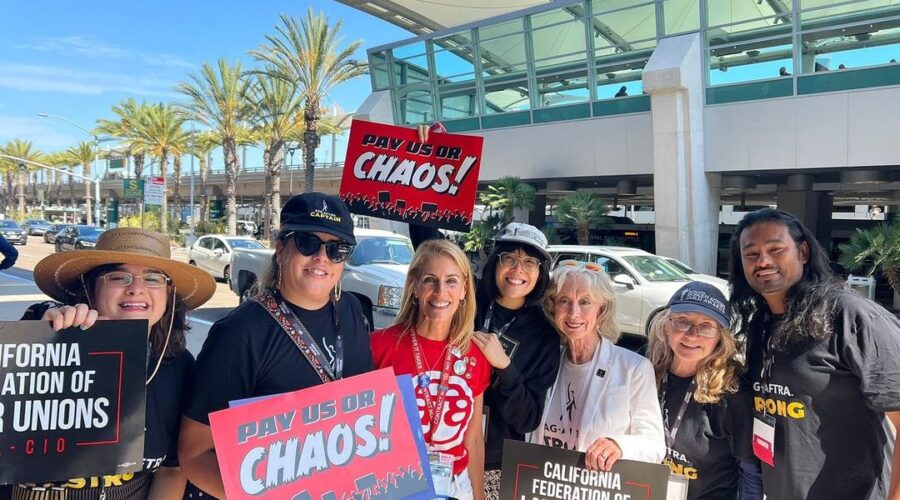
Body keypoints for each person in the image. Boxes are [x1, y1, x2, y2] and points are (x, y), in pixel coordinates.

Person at [179, 193, 373, 499]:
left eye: (337, 249)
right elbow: (194, 455)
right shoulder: (239, 333)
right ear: (281, 248)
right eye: (308, 243)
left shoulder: (351, 312)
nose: (323, 257)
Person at [11, 227, 216, 500]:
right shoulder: (46, 341)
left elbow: (171, 470)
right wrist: (44, 334)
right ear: (91, 288)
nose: (136, 289)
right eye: (119, 277)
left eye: (153, 278)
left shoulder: (177, 368)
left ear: (169, 293)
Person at [729, 208, 900, 499]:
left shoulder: (851, 316)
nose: (763, 261)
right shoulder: (760, 323)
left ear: (803, 252)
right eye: (751, 254)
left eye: (775, 249)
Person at [370, 239, 489, 500]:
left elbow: (474, 438)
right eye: (429, 280)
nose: (440, 292)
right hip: (396, 485)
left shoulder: (477, 355)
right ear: (414, 286)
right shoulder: (379, 346)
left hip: (456, 486)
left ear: (464, 290)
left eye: (451, 281)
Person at [532, 261, 665, 470]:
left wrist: (618, 445)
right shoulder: (544, 361)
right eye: (564, 301)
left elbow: (654, 444)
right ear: (553, 307)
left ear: (601, 310)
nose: (573, 313)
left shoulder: (634, 368)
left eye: (585, 302)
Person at [647, 282, 762, 500]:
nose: (692, 335)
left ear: (721, 336)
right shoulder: (645, 373)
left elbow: (751, 472)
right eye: (682, 322)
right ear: (666, 325)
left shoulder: (732, 392)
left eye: (706, 326)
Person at [470, 223, 559, 499]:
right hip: (443, 447)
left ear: (541, 273)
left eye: (530, 262)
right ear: (495, 262)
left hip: (496, 464)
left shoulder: (545, 335)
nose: (518, 270)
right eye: (510, 258)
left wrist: (505, 368)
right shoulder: (466, 300)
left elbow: (528, 419)